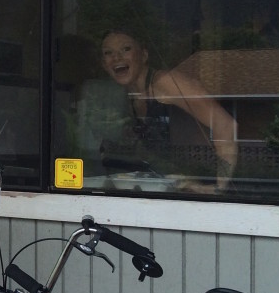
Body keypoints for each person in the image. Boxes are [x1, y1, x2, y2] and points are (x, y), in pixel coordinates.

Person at [99, 29, 237, 192]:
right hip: (166, 191)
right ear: (104, 65)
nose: (117, 58)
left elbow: (226, 125)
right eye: (108, 53)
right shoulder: (130, 95)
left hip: (198, 189)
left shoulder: (166, 83)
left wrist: (218, 187)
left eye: (126, 49)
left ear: (143, 55)